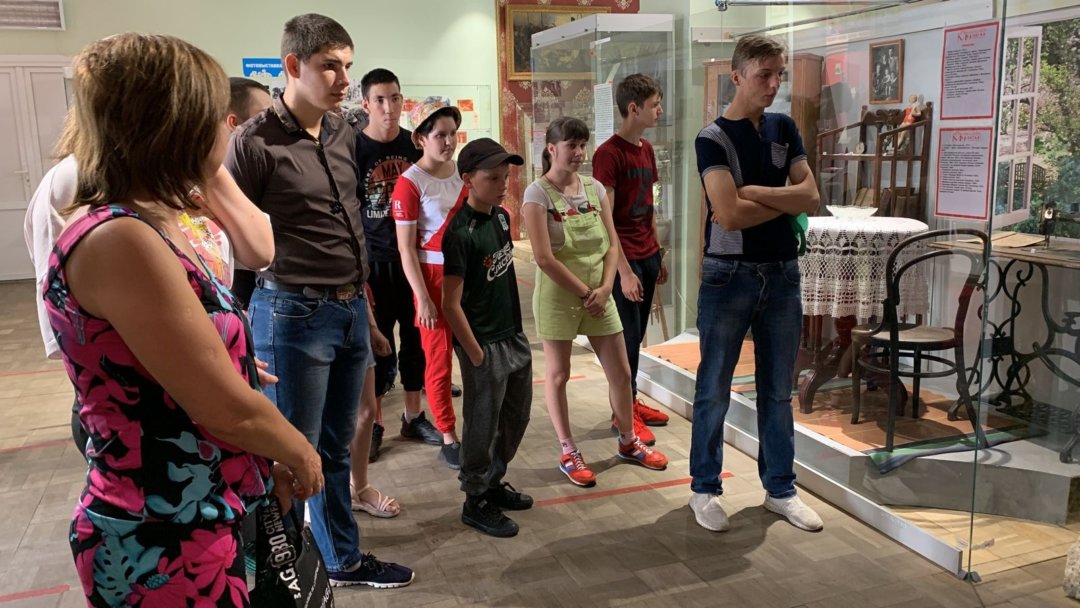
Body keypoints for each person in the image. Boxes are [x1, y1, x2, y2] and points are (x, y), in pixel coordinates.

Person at [51, 32, 322, 606]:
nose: (229, 129)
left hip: (205, 508)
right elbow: (224, 408)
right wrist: (300, 450)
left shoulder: (158, 219)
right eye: (216, 117)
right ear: (178, 126)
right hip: (162, 532)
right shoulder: (121, 238)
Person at [226, 13, 413, 588]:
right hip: (290, 313)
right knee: (291, 454)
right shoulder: (253, 142)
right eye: (330, 66)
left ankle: (340, 561)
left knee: (335, 447)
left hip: (350, 306)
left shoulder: (341, 132)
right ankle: (278, 575)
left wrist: (368, 313)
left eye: (347, 66)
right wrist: (238, 335)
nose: (344, 79)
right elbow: (233, 248)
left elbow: (351, 224)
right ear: (293, 65)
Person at [25, 90, 274, 459]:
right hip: (149, 407)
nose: (227, 128)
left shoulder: (182, 176)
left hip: (209, 383)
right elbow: (73, 325)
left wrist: (225, 354)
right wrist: (206, 365)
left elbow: (260, 252)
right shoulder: (74, 179)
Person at [689, 34, 823, 533]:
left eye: (779, 74)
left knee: (777, 389)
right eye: (764, 74)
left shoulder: (783, 126)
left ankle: (780, 489)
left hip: (782, 272)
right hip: (729, 274)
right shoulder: (712, 138)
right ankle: (704, 488)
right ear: (737, 75)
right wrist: (782, 199)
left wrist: (754, 192)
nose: (774, 84)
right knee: (714, 388)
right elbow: (727, 215)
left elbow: (811, 196)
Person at [523, 117, 669, 488]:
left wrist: (605, 288)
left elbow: (611, 241)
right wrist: (585, 292)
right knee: (558, 375)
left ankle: (628, 440)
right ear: (551, 148)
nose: (579, 152)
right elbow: (544, 258)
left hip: (599, 295)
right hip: (560, 297)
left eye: (582, 145)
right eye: (571, 145)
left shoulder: (594, 188)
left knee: (620, 372)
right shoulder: (537, 195)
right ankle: (568, 450)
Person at [441, 138, 533, 537]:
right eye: (493, 178)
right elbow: (450, 303)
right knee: (482, 423)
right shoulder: (459, 233)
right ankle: (475, 498)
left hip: (512, 334)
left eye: (505, 177)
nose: (502, 185)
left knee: (516, 416)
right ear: (468, 180)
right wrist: (475, 354)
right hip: (484, 343)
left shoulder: (502, 219)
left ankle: (494, 481)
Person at [352, 68, 439, 461]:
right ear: (366, 104)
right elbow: (348, 210)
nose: (389, 108)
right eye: (380, 100)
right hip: (375, 262)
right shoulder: (353, 149)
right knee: (378, 347)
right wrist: (358, 268)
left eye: (395, 98)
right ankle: (375, 423)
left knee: (417, 341)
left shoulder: (414, 145)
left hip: (414, 259)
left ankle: (413, 415)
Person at [591, 73, 671, 441]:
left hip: (647, 252)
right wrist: (623, 271)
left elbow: (649, 204)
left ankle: (631, 401)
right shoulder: (608, 154)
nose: (660, 110)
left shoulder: (647, 149)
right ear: (634, 108)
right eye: (655, 105)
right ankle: (621, 413)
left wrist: (657, 251)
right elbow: (605, 218)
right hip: (624, 257)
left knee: (637, 337)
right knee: (625, 338)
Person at [392, 98, 467, 470]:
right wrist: (422, 296)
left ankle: (480, 425)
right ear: (421, 138)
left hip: (469, 277)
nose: (449, 142)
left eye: (453, 133)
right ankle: (448, 435)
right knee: (438, 362)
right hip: (433, 280)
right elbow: (406, 248)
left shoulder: (463, 172)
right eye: (440, 135)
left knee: (478, 355)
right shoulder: (409, 183)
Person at [349, 284, 400, 518]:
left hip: (353, 309)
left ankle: (360, 486)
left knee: (367, 410)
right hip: (302, 313)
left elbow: (357, 276)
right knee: (316, 418)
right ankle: (318, 495)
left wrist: (372, 326)